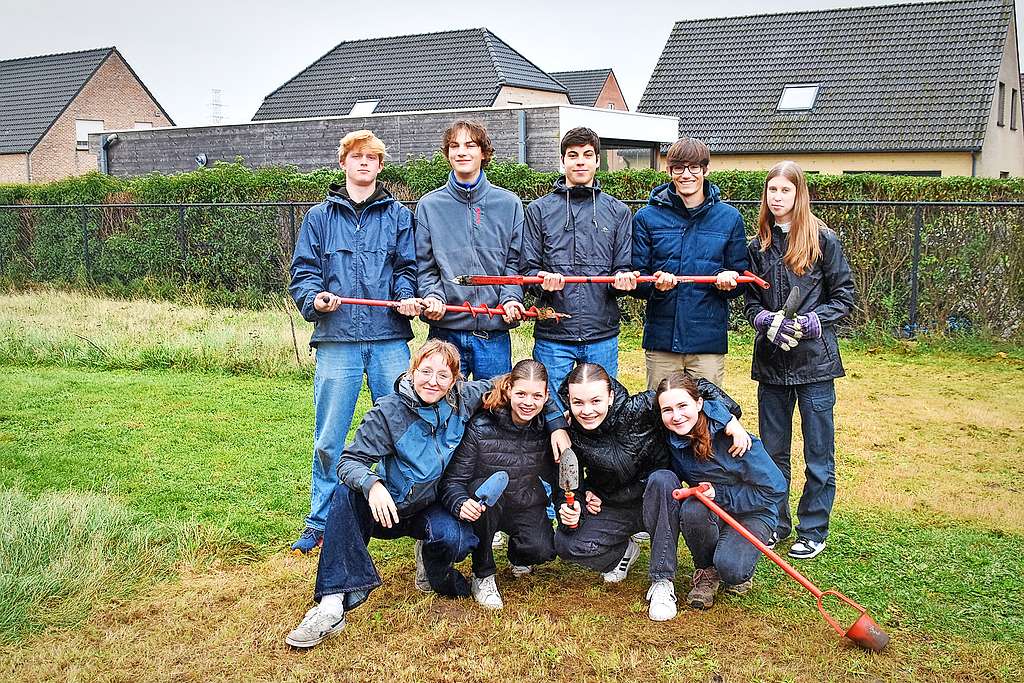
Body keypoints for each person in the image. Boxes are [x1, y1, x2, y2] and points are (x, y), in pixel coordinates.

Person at [285, 340, 569, 649]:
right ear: (413, 370)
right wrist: (373, 484)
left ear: (454, 380)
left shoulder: (464, 398)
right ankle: (331, 604)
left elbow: (520, 383)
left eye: (443, 375)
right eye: (426, 371)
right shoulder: (388, 412)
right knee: (346, 494)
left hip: (433, 505)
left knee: (457, 541)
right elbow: (348, 461)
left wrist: (555, 424)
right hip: (391, 506)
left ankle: (432, 568)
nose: (433, 381)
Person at [287, 130, 421, 554]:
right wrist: (315, 300)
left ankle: (408, 508)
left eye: (372, 158)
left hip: (388, 340)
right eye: (356, 156)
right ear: (343, 163)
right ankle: (320, 520)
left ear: (381, 166)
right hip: (337, 341)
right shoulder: (318, 218)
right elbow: (303, 274)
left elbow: (408, 267)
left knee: (402, 428)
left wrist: (404, 297)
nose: (364, 163)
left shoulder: (399, 215)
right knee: (330, 436)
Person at [744, 160, 855, 560]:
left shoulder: (824, 240)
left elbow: (844, 297)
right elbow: (749, 300)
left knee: (818, 454)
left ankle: (813, 529)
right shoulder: (757, 245)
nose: (777, 198)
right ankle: (775, 523)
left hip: (815, 366)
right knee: (772, 453)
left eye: (785, 191)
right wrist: (763, 320)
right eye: (771, 191)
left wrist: (812, 322)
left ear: (799, 193)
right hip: (772, 364)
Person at [553, 363, 749, 585]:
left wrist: (729, 417)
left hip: (660, 499)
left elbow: (699, 387)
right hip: (614, 504)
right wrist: (575, 505)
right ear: (568, 400)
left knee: (662, 479)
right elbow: (569, 486)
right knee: (565, 543)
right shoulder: (571, 433)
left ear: (610, 396)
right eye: (578, 402)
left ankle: (662, 581)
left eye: (595, 401)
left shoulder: (641, 408)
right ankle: (624, 552)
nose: (587, 411)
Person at [643, 371, 786, 621]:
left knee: (733, 570)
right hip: (710, 507)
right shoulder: (673, 439)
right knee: (691, 510)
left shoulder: (735, 439)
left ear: (700, 404)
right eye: (667, 410)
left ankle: (730, 566)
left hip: (753, 512)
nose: (676, 416)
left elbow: (774, 488)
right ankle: (707, 571)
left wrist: (719, 494)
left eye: (683, 406)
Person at [521, 126, 637, 402]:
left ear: (598, 160)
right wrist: (541, 280)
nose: (580, 161)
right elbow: (527, 268)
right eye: (573, 155)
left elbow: (623, 264)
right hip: (554, 334)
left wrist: (623, 280)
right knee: (548, 407)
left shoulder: (618, 212)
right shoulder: (539, 210)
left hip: (601, 333)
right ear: (563, 161)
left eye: (587, 155)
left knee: (601, 408)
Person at [631, 137, 749, 390]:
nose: (686, 175)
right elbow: (637, 279)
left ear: (705, 170)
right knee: (659, 411)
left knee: (708, 414)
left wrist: (729, 282)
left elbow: (741, 278)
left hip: (706, 341)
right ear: (669, 171)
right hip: (662, 339)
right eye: (679, 168)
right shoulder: (646, 218)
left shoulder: (729, 218)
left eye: (694, 167)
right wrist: (654, 284)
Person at [439, 359, 558, 610]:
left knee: (542, 550)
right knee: (488, 489)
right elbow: (453, 480)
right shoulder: (481, 426)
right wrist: (461, 502)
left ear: (547, 397)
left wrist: (573, 502)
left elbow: (558, 477)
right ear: (508, 390)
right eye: (522, 394)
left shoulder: (545, 429)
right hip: (486, 503)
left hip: (524, 500)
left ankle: (519, 553)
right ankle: (483, 574)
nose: (528, 402)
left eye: (537, 395)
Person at [415, 119, 526, 380]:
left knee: (493, 408)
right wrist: (433, 296)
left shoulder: (509, 204)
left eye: (470, 145)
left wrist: (511, 298)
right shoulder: (430, 206)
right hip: (446, 332)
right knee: (445, 410)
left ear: (484, 152)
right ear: (447, 154)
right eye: (454, 146)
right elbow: (424, 265)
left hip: (493, 333)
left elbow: (515, 262)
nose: (462, 152)